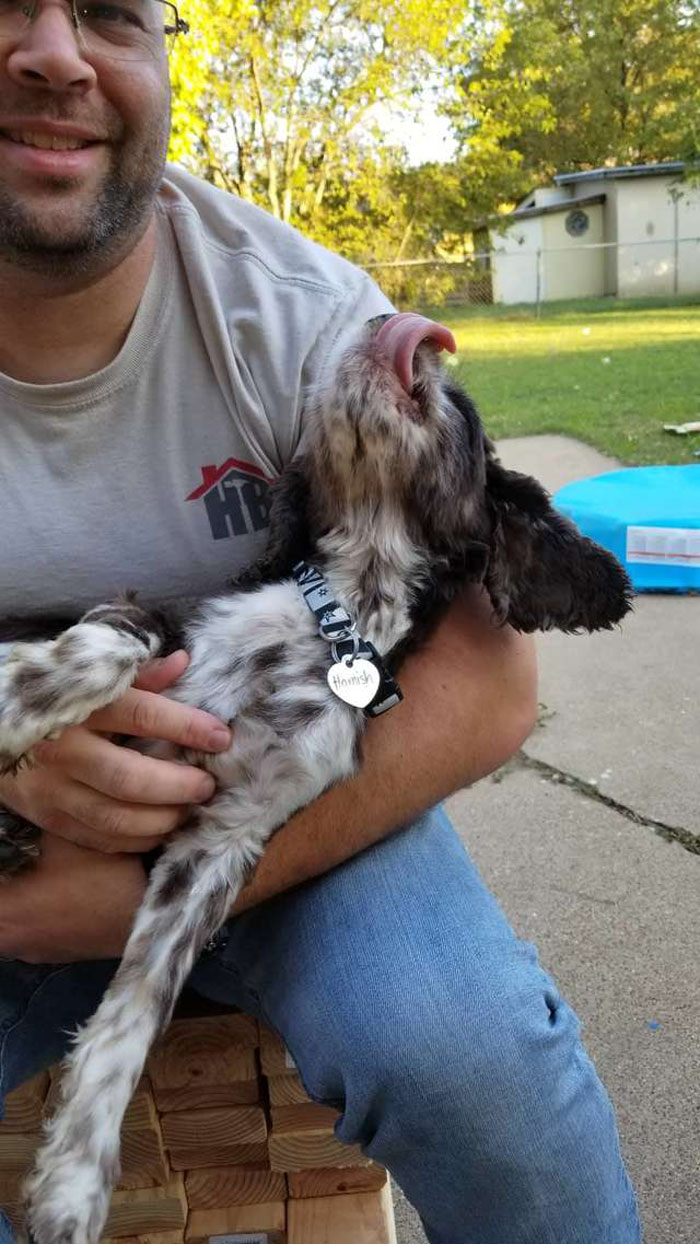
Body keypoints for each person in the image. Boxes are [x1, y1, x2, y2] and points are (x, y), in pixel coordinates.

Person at [0, 9, 641, 1244]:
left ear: (163, 54)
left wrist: (157, 892)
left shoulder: (295, 311)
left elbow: (490, 688)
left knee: (468, 1055)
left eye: (111, 13)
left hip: (293, 804)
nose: (55, 55)